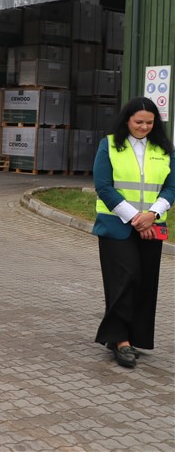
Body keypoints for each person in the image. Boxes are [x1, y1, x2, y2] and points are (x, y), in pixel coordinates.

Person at [93, 97, 174, 369]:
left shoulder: (164, 149)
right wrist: (136, 218)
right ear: (127, 120)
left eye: (149, 122)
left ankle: (134, 336)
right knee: (126, 277)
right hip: (116, 225)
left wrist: (153, 214)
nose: (144, 127)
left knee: (145, 282)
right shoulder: (109, 145)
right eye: (139, 121)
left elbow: (171, 188)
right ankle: (120, 339)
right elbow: (104, 186)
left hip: (151, 225)